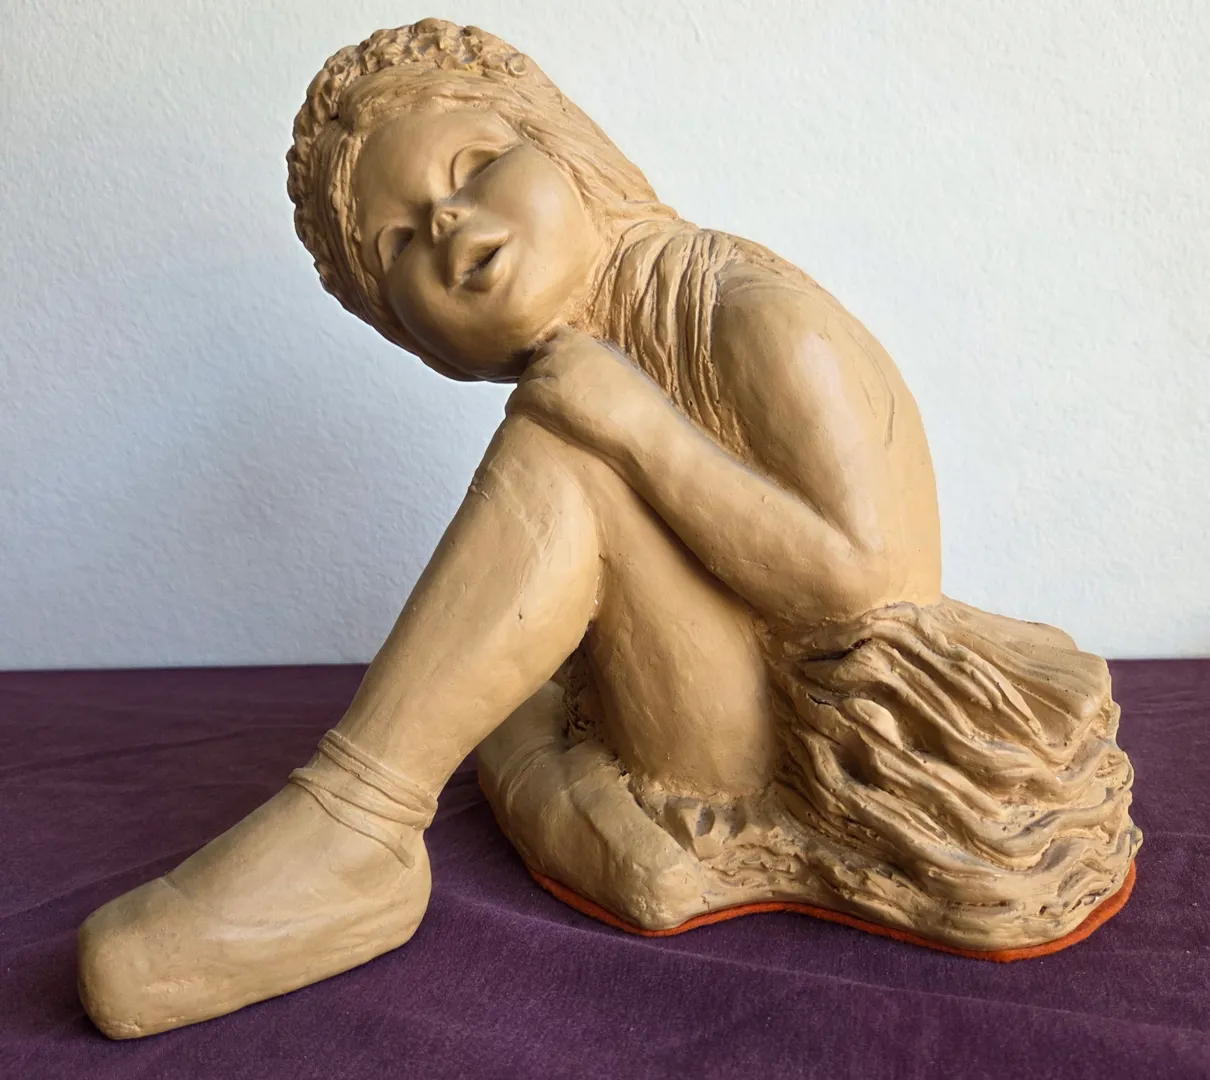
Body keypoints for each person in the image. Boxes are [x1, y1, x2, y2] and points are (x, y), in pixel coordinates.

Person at [78, 20, 1140, 1038]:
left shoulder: (750, 315)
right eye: (398, 241)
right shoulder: (594, 351)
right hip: (701, 709)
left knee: (569, 441)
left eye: (475, 165)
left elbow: (868, 587)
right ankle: (480, 784)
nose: (447, 224)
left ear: (567, 151)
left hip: (840, 735)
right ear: (411, 335)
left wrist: (637, 428)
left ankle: (362, 824)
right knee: (561, 476)